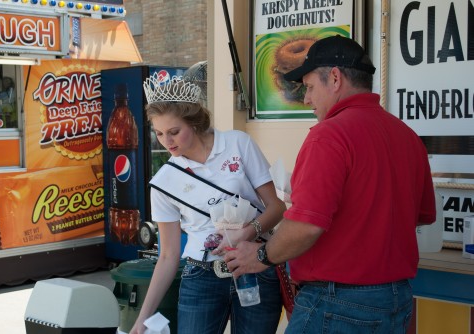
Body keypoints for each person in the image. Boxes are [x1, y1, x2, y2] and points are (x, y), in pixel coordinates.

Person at [224, 35, 436, 333]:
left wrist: (260, 256)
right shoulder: (407, 136)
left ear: (335, 78)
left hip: (338, 304)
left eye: (310, 87)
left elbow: (307, 225)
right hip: (396, 299)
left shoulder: (329, 135)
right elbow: (422, 215)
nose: (307, 99)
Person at [129, 73, 286, 334]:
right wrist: (141, 319)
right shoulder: (163, 182)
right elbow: (167, 255)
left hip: (254, 264)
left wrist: (245, 233)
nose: (167, 142)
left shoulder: (238, 143)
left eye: (174, 132)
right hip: (201, 274)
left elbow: (277, 208)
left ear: (194, 122)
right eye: (159, 133)